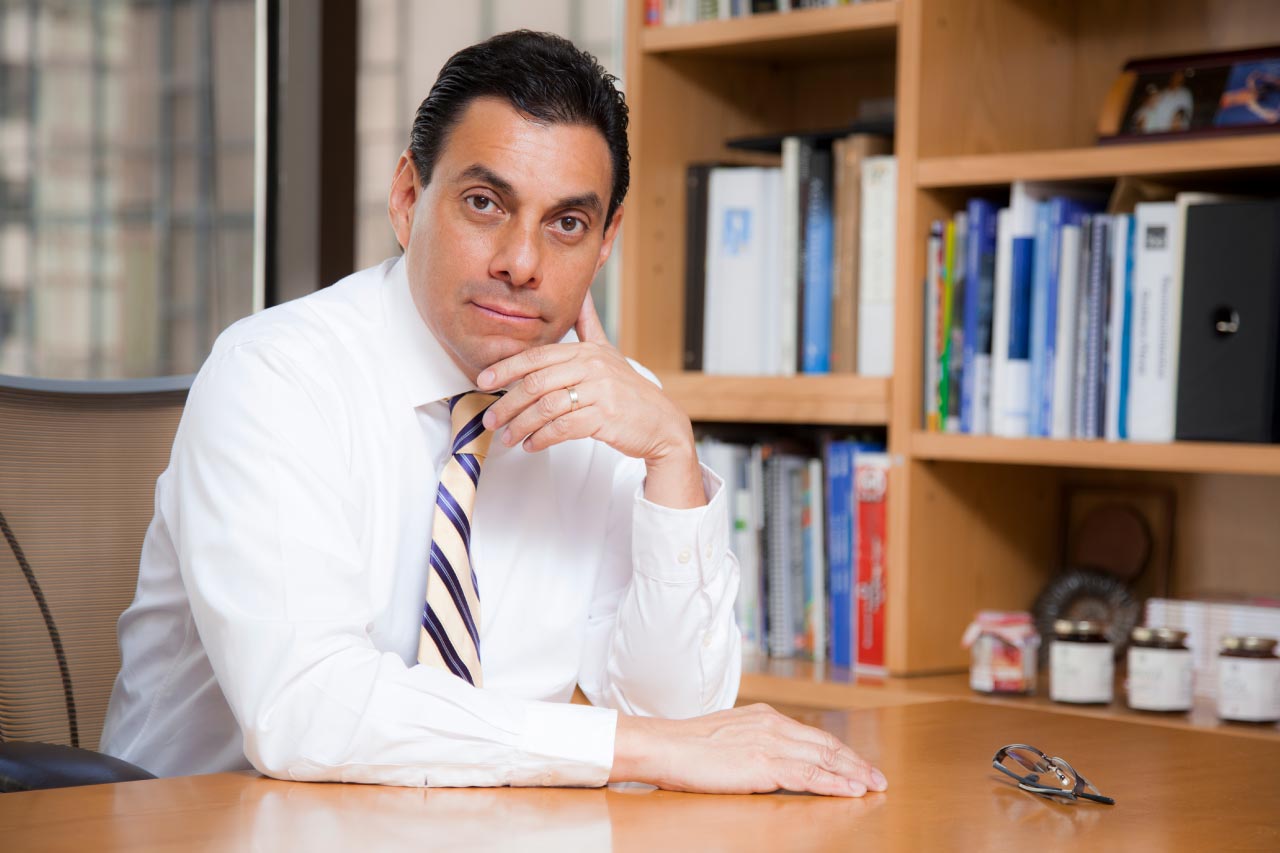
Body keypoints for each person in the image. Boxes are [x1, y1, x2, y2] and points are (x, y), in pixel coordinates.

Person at [101, 30, 887, 799]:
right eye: (485, 204)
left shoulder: (614, 408)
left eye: (567, 223)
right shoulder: (275, 377)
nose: (521, 262)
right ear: (408, 197)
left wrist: (671, 459)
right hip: (215, 828)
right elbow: (306, 709)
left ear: (606, 241)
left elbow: (684, 728)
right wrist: (635, 746)